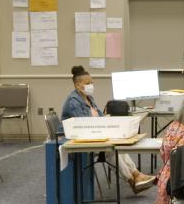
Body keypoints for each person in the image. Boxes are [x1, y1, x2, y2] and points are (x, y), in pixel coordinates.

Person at [61, 66, 154, 194]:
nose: (91, 85)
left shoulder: (89, 99)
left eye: (91, 82)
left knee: (117, 146)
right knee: (110, 150)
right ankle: (132, 180)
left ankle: (136, 175)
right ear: (78, 85)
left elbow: (100, 117)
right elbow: (84, 125)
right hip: (76, 141)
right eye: (88, 83)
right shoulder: (74, 102)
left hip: (91, 137)